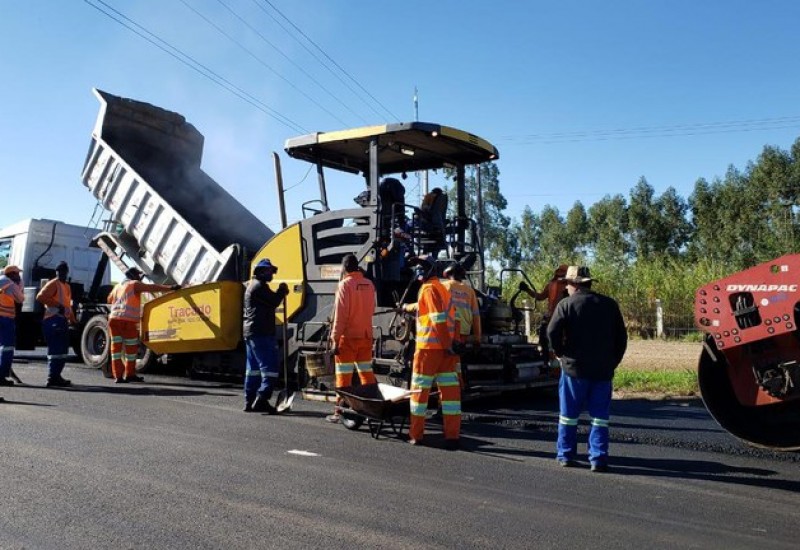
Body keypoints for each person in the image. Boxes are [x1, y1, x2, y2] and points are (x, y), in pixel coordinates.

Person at [546, 265, 627, 472]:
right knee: (600, 418)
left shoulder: (566, 304)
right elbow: (621, 338)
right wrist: (612, 361)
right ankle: (598, 458)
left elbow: (552, 332)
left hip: (574, 369)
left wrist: (560, 353)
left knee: (568, 415)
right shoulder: (609, 305)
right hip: (602, 371)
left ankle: (565, 454)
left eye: (567, 284)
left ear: (573, 284)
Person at [402, 255, 460, 449]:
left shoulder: (427, 289)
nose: (418, 273)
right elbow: (450, 316)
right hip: (446, 352)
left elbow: (437, 319)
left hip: (429, 350)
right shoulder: (442, 289)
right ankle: (452, 435)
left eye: (420, 269)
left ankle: (416, 435)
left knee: (419, 393)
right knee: (450, 395)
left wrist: (446, 345)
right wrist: (406, 307)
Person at [326, 254, 377, 423]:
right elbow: (372, 310)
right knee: (366, 374)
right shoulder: (369, 284)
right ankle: (372, 409)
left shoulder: (344, 285)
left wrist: (334, 338)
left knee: (344, 377)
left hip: (347, 338)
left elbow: (341, 315)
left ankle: (339, 412)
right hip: (366, 335)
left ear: (344, 268)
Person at [107, 267, 178, 383]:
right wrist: (170, 288)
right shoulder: (134, 284)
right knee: (131, 350)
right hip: (128, 321)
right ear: (133, 275)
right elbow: (152, 288)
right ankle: (129, 374)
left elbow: (109, 299)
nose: (140, 277)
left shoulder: (117, 286)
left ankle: (118, 376)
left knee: (116, 351)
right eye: (138, 275)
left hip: (114, 321)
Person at [243, 258, 289, 414]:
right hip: (262, 333)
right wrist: (282, 290)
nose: (272, 275)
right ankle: (262, 399)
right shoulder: (259, 287)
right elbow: (274, 301)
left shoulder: (253, 286)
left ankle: (249, 401)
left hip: (252, 332)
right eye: (270, 271)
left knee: (253, 369)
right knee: (269, 368)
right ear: (261, 271)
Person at [36, 261, 78, 387]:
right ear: (56, 272)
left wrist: (73, 320)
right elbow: (40, 297)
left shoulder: (67, 286)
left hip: (61, 320)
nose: (61, 273)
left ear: (67, 272)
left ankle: (56, 376)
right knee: (55, 350)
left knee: (62, 350)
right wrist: (57, 306)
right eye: (59, 271)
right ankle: (52, 377)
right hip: (53, 319)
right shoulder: (53, 283)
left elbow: (67, 306)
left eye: (63, 271)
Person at [442, 261, 481, 387]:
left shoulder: (443, 286)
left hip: (447, 330)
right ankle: (459, 384)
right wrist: (477, 338)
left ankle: (455, 386)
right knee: (456, 359)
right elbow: (476, 316)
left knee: (448, 361)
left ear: (448, 274)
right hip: (462, 331)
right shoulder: (469, 291)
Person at [0, 265, 25, 387]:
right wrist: (20, 285)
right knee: (7, 347)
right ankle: (2, 375)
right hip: (6, 319)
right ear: (11, 274)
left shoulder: (1, 280)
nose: (19, 276)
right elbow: (21, 299)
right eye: (17, 273)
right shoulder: (10, 283)